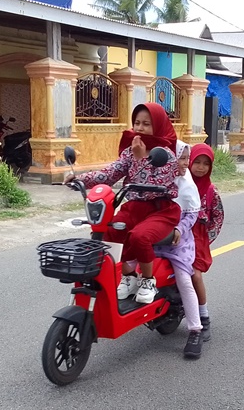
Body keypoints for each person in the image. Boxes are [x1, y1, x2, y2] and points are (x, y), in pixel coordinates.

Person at [66, 103, 181, 304]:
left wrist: (142, 158)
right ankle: (129, 277)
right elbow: (110, 173)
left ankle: (147, 280)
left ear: (159, 126)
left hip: (161, 210)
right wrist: (80, 179)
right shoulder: (130, 151)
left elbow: (155, 183)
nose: (139, 128)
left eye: (146, 124)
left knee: (139, 236)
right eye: (136, 123)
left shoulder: (167, 155)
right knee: (109, 232)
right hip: (134, 208)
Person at [152, 140, 204, 359]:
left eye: (185, 158)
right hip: (155, 236)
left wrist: (179, 230)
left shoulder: (187, 185)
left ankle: (195, 330)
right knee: (130, 266)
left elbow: (192, 214)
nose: (184, 163)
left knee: (184, 279)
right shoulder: (158, 180)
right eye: (179, 158)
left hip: (178, 240)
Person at [189, 144, 225, 342]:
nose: (201, 167)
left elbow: (218, 217)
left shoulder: (211, 191)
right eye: (197, 162)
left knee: (194, 274)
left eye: (206, 164)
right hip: (176, 235)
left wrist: (206, 239)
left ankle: (204, 316)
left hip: (199, 239)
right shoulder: (180, 185)